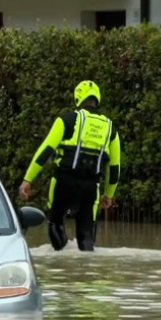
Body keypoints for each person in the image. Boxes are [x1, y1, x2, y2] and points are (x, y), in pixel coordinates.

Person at [19, 81, 122, 252]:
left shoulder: (66, 120)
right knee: (87, 237)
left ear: (77, 98)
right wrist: (109, 195)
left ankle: (61, 262)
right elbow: (115, 168)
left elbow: (45, 151)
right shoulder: (110, 129)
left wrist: (28, 179)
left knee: (55, 221)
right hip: (91, 188)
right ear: (97, 99)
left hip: (63, 184)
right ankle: (86, 271)